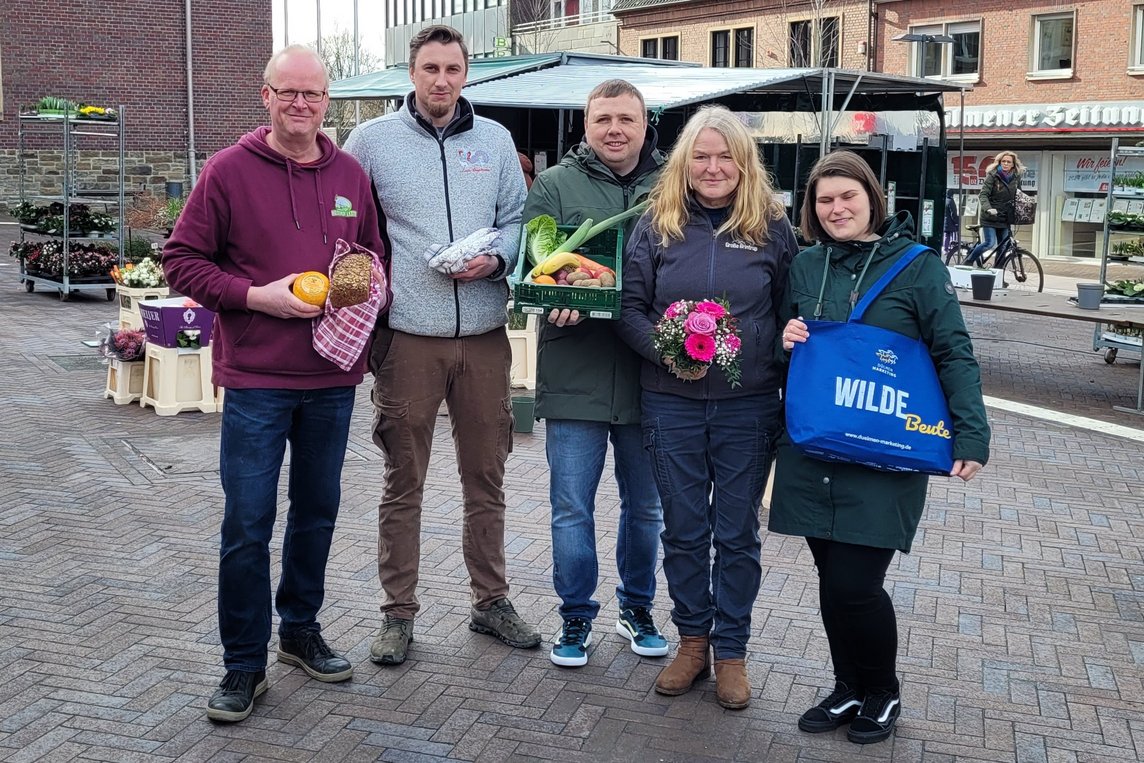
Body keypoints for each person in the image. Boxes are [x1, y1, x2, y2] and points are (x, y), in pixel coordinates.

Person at [162, 45, 386, 723]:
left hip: (331, 378)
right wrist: (258, 296)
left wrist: (352, 294)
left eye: (312, 94)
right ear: (265, 96)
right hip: (258, 378)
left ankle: (299, 630)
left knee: (316, 511)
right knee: (247, 522)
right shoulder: (227, 172)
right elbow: (181, 260)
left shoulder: (349, 174)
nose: (300, 104)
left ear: (327, 101)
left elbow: (371, 258)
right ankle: (243, 663)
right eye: (287, 92)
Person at [773, 150, 990, 744]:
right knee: (830, 580)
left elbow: (953, 351)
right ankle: (848, 687)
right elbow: (781, 351)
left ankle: (882, 690)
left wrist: (971, 433)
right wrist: (784, 339)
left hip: (884, 447)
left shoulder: (917, 267)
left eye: (848, 196)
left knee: (855, 585)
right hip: (815, 446)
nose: (836, 208)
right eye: (824, 200)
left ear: (873, 197)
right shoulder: (806, 265)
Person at [343, 25, 539, 665]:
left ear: (466, 74)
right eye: (430, 68)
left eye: (453, 69)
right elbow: (348, 230)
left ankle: (491, 601)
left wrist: (498, 259)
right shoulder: (370, 142)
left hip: (483, 335)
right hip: (408, 340)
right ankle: (397, 614)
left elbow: (518, 221)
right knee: (404, 480)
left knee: (487, 477)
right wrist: (369, 299)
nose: (442, 80)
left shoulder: (496, 140)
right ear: (411, 72)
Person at [617, 105, 797, 709]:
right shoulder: (657, 223)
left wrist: (775, 358)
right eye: (701, 156)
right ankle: (692, 642)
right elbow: (629, 308)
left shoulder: (771, 226)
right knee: (685, 530)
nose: (713, 167)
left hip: (749, 407)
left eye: (725, 156)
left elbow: (789, 311)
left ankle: (732, 652)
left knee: (737, 532)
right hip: (671, 405)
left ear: (744, 162)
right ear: (684, 163)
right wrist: (667, 354)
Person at [522, 79, 667, 668]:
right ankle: (576, 614)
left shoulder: (672, 186)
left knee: (647, 508)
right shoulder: (555, 185)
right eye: (603, 118)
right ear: (586, 125)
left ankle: (638, 607)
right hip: (574, 371)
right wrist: (550, 297)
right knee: (571, 507)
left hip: (651, 375)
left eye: (626, 118)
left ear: (644, 123)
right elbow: (536, 267)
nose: (615, 129)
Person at [967, 151, 1024, 265]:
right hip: (990, 217)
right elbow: (983, 195)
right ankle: (968, 261)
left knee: (1003, 247)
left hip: (1005, 217)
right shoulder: (993, 175)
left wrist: (1023, 206)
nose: (1006, 164)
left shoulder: (1016, 178)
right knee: (989, 243)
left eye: (1008, 162)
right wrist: (988, 208)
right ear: (999, 162)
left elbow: (1019, 195)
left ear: (1013, 164)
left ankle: (997, 271)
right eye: (1003, 161)